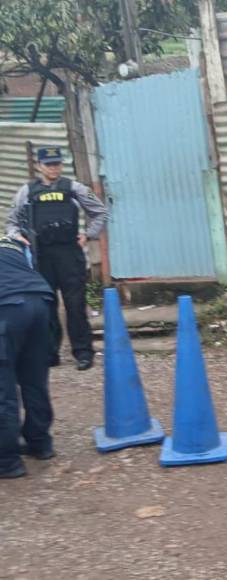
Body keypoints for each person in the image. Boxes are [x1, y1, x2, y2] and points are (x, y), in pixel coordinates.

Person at [5, 146, 107, 371]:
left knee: (75, 305)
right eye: (49, 164)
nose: (54, 168)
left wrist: (88, 234)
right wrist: (19, 238)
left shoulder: (75, 188)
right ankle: (49, 353)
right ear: (40, 166)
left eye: (57, 164)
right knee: (45, 306)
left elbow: (100, 211)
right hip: (42, 255)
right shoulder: (26, 191)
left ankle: (83, 352)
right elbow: (11, 222)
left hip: (69, 254)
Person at [0, 236, 56, 479]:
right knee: (34, 379)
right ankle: (39, 443)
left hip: (8, 306)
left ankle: (6, 461)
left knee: (4, 387)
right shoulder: (10, 241)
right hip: (41, 301)